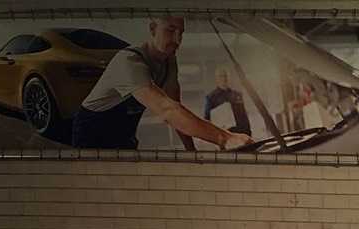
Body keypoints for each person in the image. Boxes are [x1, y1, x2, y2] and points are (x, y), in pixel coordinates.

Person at [72, 16, 249, 150]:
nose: (177, 40)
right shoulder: (129, 62)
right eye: (171, 31)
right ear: (152, 29)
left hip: (123, 136)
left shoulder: (169, 61)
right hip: (92, 135)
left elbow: (175, 108)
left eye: (181, 33)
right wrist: (224, 138)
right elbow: (167, 111)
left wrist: (191, 151)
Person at [202, 66, 251, 136]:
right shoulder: (211, 97)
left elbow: (244, 116)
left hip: (240, 133)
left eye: (226, 76)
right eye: (221, 76)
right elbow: (207, 119)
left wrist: (248, 133)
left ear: (229, 77)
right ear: (216, 79)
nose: (224, 78)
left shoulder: (237, 95)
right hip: (224, 135)